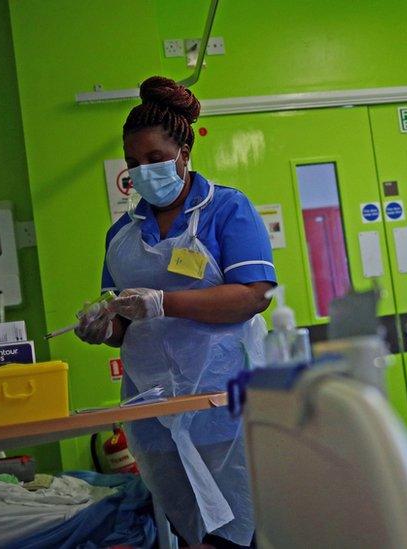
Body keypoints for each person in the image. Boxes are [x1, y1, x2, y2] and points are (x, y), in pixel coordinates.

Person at [75, 76, 276, 549]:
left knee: (241, 530)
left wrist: (164, 302)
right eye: (132, 163)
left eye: (154, 159)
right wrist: (101, 328)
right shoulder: (121, 234)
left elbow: (253, 295)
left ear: (184, 152)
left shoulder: (227, 209)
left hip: (221, 405)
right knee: (189, 532)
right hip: (153, 411)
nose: (143, 171)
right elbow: (122, 325)